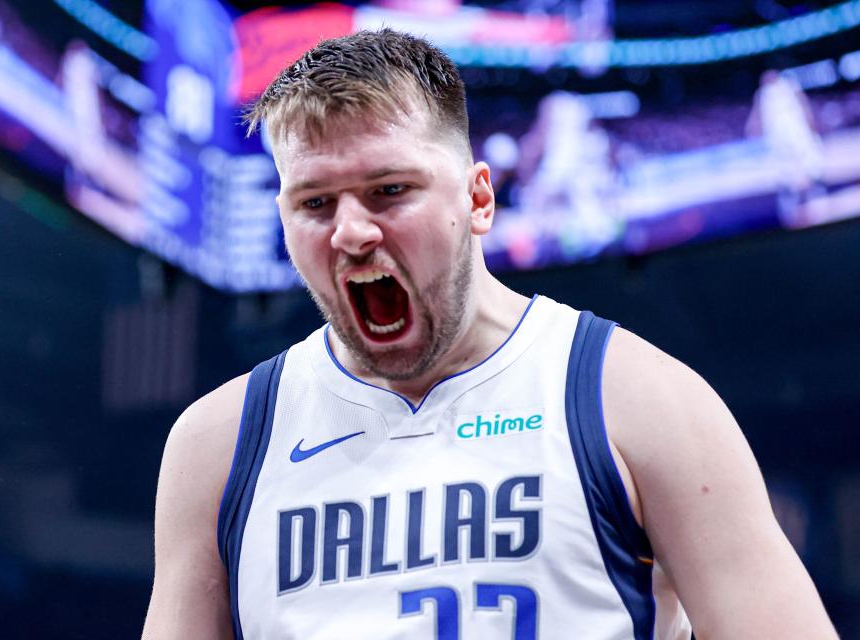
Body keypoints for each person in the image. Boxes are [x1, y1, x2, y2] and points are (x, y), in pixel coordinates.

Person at [142, 29, 837, 639]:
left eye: (389, 190)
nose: (351, 230)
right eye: (315, 202)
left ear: (478, 198)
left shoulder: (637, 398)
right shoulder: (218, 445)